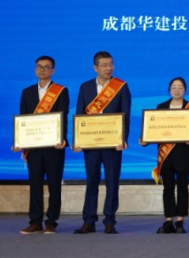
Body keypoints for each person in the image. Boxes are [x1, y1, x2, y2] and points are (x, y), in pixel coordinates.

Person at [73, 51, 131, 235]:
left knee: (112, 182)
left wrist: (122, 139)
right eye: (104, 65)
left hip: (113, 143)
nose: (109, 68)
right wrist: (78, 140)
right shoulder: (85, 87)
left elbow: (125, 115)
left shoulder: (121, 86)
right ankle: (89, 221)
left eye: (111, 64)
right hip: (90, 144)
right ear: (95, 67)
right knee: (91, 181)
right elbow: (80, 114)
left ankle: (109, 221)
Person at [140, 77, 189, 234]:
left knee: (182, 188)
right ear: (169, 90)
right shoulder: (161, 107)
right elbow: (154, 129)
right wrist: (145, 140)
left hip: (184, 154)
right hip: (166, 155)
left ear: (185, 90)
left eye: (180, 87)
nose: (177, 90)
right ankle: (168, 220)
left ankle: (180, 221)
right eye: (174, 87)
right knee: (167, 189)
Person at [14, 55, 69, 234]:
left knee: (54, 185)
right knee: (35, 185)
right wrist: (19, 142)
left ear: (53, 70)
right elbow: (23, 120)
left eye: (46, 67)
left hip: (54, 147)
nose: (42, 70)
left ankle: (52, 222)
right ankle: (35, 222)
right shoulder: (27, 92)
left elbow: (63, 117)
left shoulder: (61, 91)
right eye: (39, 66)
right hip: (34, 148)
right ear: (35, 69)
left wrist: (63, 139)